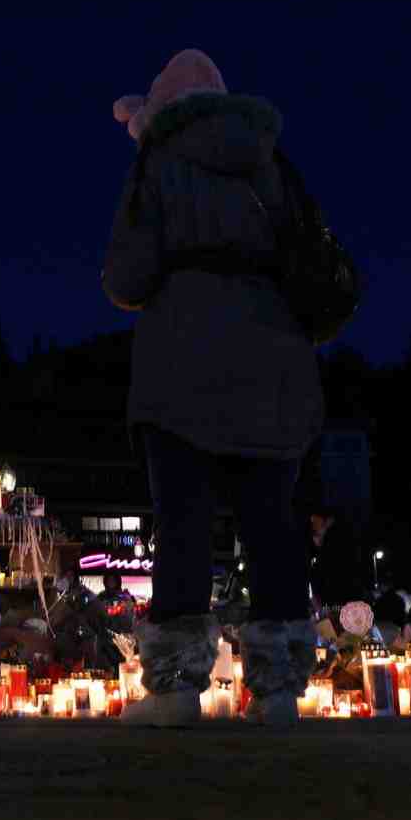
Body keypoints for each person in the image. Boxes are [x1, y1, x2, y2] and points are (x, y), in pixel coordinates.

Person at [103, 48, 324, 728]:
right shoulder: (270, 161)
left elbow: (127, 277)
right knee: (272, 522)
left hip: (180, 360)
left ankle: (175, 690)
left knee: (184, 522)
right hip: (274, 356)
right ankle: (279, 691)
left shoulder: (158, 163)